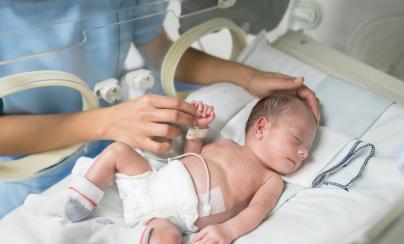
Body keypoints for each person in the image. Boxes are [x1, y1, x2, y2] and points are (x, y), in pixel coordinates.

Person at [0, 1, 320, 218]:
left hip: (129, 147)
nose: (303, 152)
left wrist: (247, 76)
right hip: (37, 167)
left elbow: (158, 47)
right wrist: (105, 122)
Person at [60, 94, 317, 244]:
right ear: (261, 127)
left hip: (167, 220)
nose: (304, 152)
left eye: (307, 149)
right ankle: (81, 198)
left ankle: (108, 237)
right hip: (150, 183)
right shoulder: (226, 144)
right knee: (119, 150)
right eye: (297, 140)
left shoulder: (271, 180)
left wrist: (228, 230)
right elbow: (190, 157)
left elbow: (257, 211)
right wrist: (196, 130)